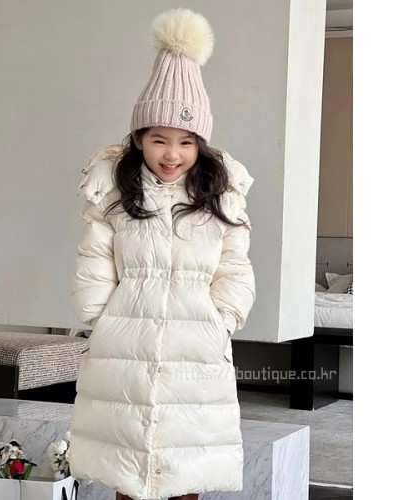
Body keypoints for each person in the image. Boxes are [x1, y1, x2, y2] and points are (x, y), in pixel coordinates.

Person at [69, 8, 255, 500]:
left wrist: (223, 320)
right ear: (139, 139)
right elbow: (95, 259)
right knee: (128, 467)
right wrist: (102, 318)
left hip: (197, 346)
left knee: (186, 469)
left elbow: (234, 265)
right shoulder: (114, 193)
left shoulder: (222, 196)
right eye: (159, 140)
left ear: (200, 143)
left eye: (186, 142)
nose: (172, 154)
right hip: (125, 341)